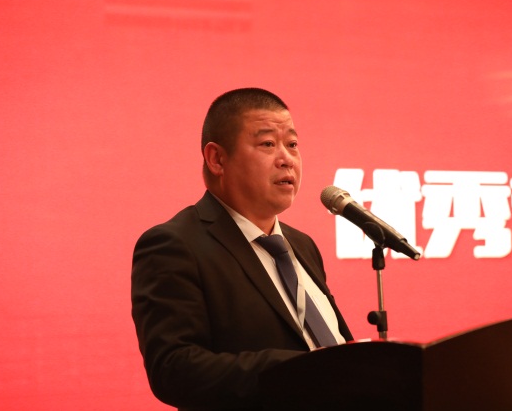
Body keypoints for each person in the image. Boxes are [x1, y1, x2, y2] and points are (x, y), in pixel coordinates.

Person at [131, 88, 353, 411]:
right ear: (217, 159)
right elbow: (174, 368)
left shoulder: (302, 245)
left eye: (292, 144)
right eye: (268, 144)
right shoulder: (174, 245)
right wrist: (300, 370)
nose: (286, 159)